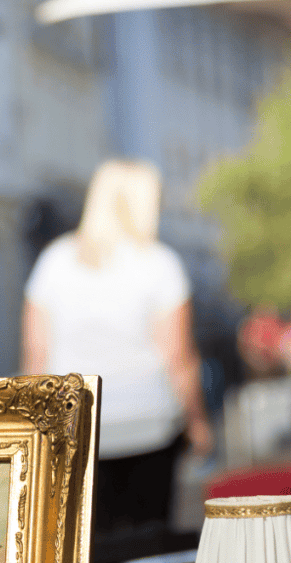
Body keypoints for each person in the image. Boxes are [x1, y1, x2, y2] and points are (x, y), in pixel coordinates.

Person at [21, 159, 211, 542]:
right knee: (149, 541)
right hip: (149, 422)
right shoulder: (159, 263)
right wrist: (197, 420)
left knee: (83, 546)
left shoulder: (55, 261)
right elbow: (177, 356)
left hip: (75, 424)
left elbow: (35, 352)